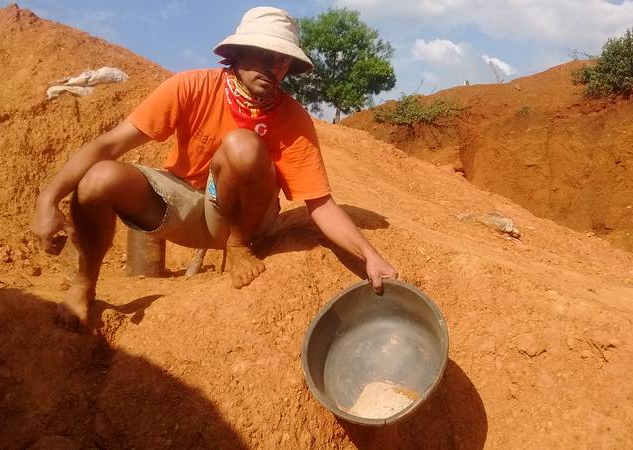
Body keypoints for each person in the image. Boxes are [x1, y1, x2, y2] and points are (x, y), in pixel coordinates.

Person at [30, 6, 398, 331]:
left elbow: (320, 203)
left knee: (243, 144)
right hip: (186, 206)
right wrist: (48, 200)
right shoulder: (191, 87)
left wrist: (369, 256)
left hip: (248, 222)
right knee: (99, 178)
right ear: (236, 53)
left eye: (281, 59)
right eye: (261, 53)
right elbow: (109, 144)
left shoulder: (293, 119)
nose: (271, 67)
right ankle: (84, 284)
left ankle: (236, 247)